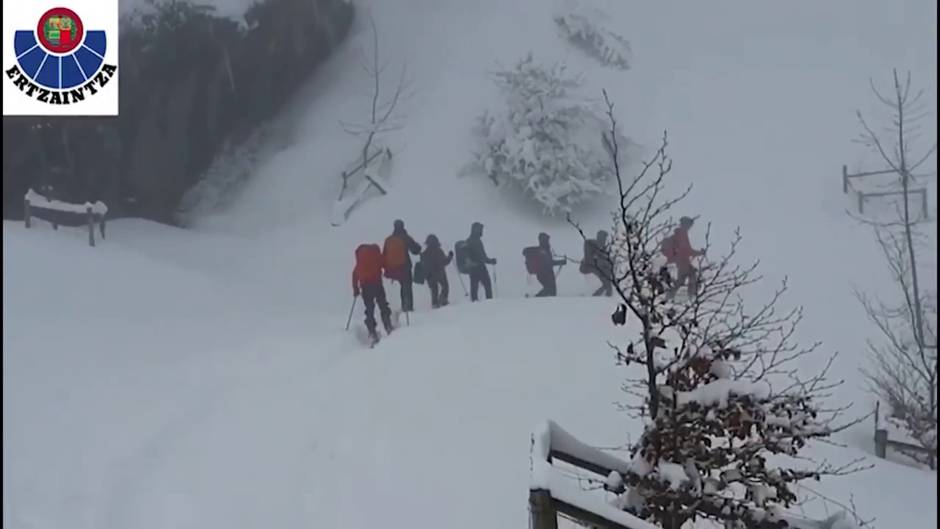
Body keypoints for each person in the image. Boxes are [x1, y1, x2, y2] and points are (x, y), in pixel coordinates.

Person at [352, 243, 393, 341]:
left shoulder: (361, 261)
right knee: (383, 305)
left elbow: (355, 275)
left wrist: (356, 290)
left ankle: (372, 332)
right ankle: (388, 325)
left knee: (369, 309)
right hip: (377, 283)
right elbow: (384, 263)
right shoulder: (375, 254)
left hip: (366, 286)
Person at [661, 216, 705, 300]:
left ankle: (669, 297)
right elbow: (686, 250)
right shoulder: (682, 234)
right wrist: (699, 253)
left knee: (681, 280)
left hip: (681, 261)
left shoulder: (679, 234)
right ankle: (690, 298)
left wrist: (698, 253)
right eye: (689, 225)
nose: (690, 227)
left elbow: (686, 250)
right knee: (690, 278)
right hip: (682, 261)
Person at [383, 219, 422, 312]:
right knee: (407, 287)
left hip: (394, 269)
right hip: (405, 267)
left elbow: (384, 255)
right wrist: (419, 247)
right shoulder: (405, 237)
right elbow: (415, 250)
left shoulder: (389, 239)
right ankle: (408, 308)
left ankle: (404, 306)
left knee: (402, 286)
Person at [465, 222, 496, 302]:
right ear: (476, 230)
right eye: (481, 229)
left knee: (474, 288)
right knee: (487, 285)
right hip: (480, 267)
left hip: (472, 268)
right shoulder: (476, 241)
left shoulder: (468, 241)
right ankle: (489, 302)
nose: (482, 231)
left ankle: (474, 303)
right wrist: (490, 261)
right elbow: (482, 256)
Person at [420, 234, 453, 308]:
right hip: (440, 273)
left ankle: (435, 303)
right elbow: (444, 262)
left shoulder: (424, 254)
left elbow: (423, 266)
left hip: (430, 275)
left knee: (434, 289)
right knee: (445, 286)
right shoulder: (439, 251)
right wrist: (450, 257)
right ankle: (443, 299)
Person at [528, 232, 566, 297]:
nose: (548, 241)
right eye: (547, 239)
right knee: (550, 290)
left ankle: (537, 299)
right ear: (544, 240)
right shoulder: (542, 251)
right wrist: (561, 262)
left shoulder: (545, 250)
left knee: (551, 292)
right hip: (545, 274)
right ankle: (535, 299)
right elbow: (549, 263)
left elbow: (549, 262)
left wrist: (561, 262)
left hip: (546, 274)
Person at [580, 230, 613, 297]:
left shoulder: (603, 247)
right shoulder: (591, 244)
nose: (604, 240)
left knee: (607, 283)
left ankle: (601, 295)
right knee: (607, 282)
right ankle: (597, 296)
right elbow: (589, 259)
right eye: (603, 238)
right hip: (589, 267)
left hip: (599, 268)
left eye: (605, 238)